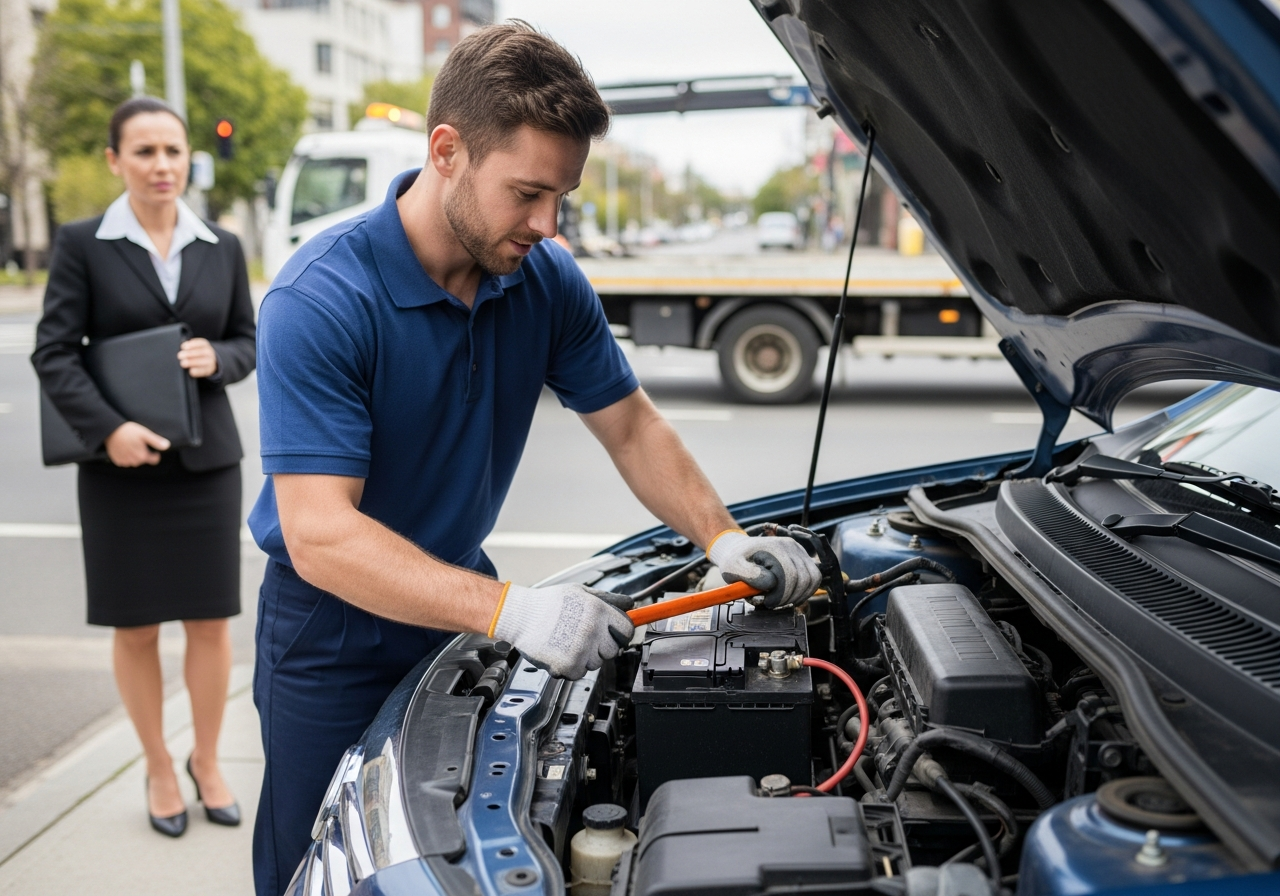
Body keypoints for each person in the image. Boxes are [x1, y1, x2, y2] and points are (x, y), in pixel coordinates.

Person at [248, 22, 821, 895]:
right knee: (324, 869)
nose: (548, 225)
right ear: (447, 151)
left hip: (453, 604)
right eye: (527, 193)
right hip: (332, 635)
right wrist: (514, 611)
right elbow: (321, 533)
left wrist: (723, 540)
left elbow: (631, 427)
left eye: (563, 196)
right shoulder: (323, 298)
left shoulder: (543, 280)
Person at [32, 97, 256, 838]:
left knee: (211, 623)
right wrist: (108, 431)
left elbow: (247, 343)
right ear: (115, 160)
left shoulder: (220, 244)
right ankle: (159, 765)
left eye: (173, 150)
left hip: (205, 464)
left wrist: (215, 358)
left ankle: (208, 759)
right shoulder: (82, 243)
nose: (163, 166)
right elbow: (54, 352)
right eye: (145, 152)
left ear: (189, 155)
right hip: (118, 468)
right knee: (134, 629)